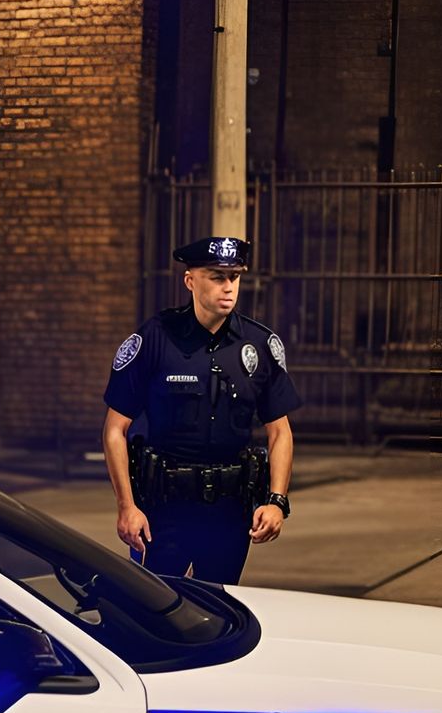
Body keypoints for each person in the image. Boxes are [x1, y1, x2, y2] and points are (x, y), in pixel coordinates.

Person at [101, 236, 301, 584]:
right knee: (156, 611)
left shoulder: (259, 345)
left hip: (229, 512)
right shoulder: (155, 338)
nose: (228, 287)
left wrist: (276, 501)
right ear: (190, 280)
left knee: (218, 609)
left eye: (234, 277)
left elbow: (280, 431)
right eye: (216, 277)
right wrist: (126, 507)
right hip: (163, 511)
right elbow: (114, 430)